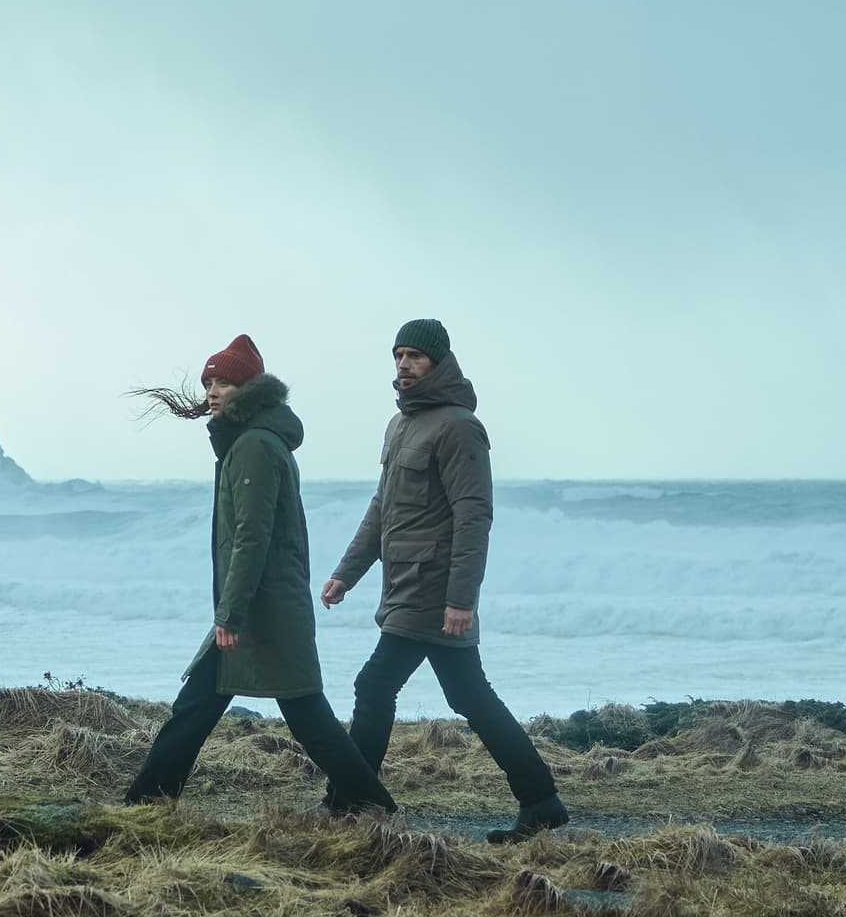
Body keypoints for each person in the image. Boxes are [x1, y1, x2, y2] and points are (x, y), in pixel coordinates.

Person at [119, 334, 399, 816]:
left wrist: (230, 614)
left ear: (248, 392)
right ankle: (147, 801)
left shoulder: (253, 446)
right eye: (208, 383)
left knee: (304, 716)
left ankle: (370, 802)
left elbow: (252, 537)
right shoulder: (251, 441)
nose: (212, 392)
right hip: (259, 605)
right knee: (200, 705)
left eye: (223, 384)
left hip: (262, 610)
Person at [326, 317, 570, 843]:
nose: (404, 365)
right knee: (469, 695)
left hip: (434, 590)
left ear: (438, 362)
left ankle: (353, 801)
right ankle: (541, 801)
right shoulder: (400, 425)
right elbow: (382, 509)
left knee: (375, 684)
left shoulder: (459, 427)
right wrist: (347, 573)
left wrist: (461, 598)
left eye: (415, 356)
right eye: (398, 355)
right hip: (403, 586)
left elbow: (473, 516)